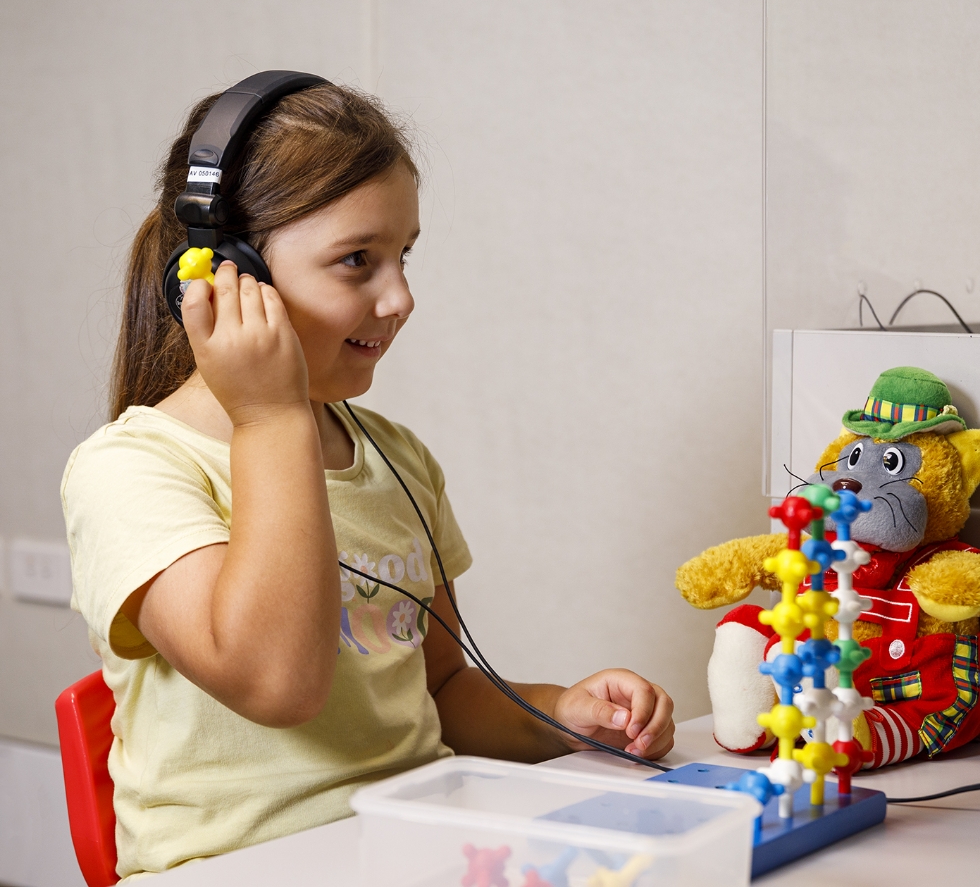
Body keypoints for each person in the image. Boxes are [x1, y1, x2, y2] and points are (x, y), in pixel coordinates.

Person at [61, 80, 675, 881]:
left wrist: (559, 713)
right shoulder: (130, 470)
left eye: (404, 254)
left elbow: (443, 687)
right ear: (227, 273)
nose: (401, 297)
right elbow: (277, 684)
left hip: (405, 849)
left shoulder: (396, 457)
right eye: (357, 261)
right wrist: (272, 418)